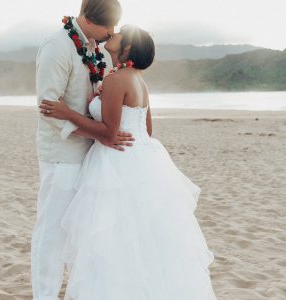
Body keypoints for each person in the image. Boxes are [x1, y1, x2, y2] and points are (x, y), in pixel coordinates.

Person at [39, 24, 217, 299]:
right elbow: (146, 131)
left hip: (115, 164)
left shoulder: (117, 79)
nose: (114, 34)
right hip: (143, 162)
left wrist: (67, 113)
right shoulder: (138, 80)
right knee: (143, 243)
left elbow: (110, 133)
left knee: (111, 243)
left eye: (120, 33)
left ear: (128, 48)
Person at [30, 1, 135, 299]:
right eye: (108, 27)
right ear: (88, 18)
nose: (111, 32)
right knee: (52, 233)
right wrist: (100, 135)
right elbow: (48, 110)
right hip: (62, 156)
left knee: (82, 235)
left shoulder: (100, 51)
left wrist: (105, 134)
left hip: (93, 157)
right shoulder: (57, 46)